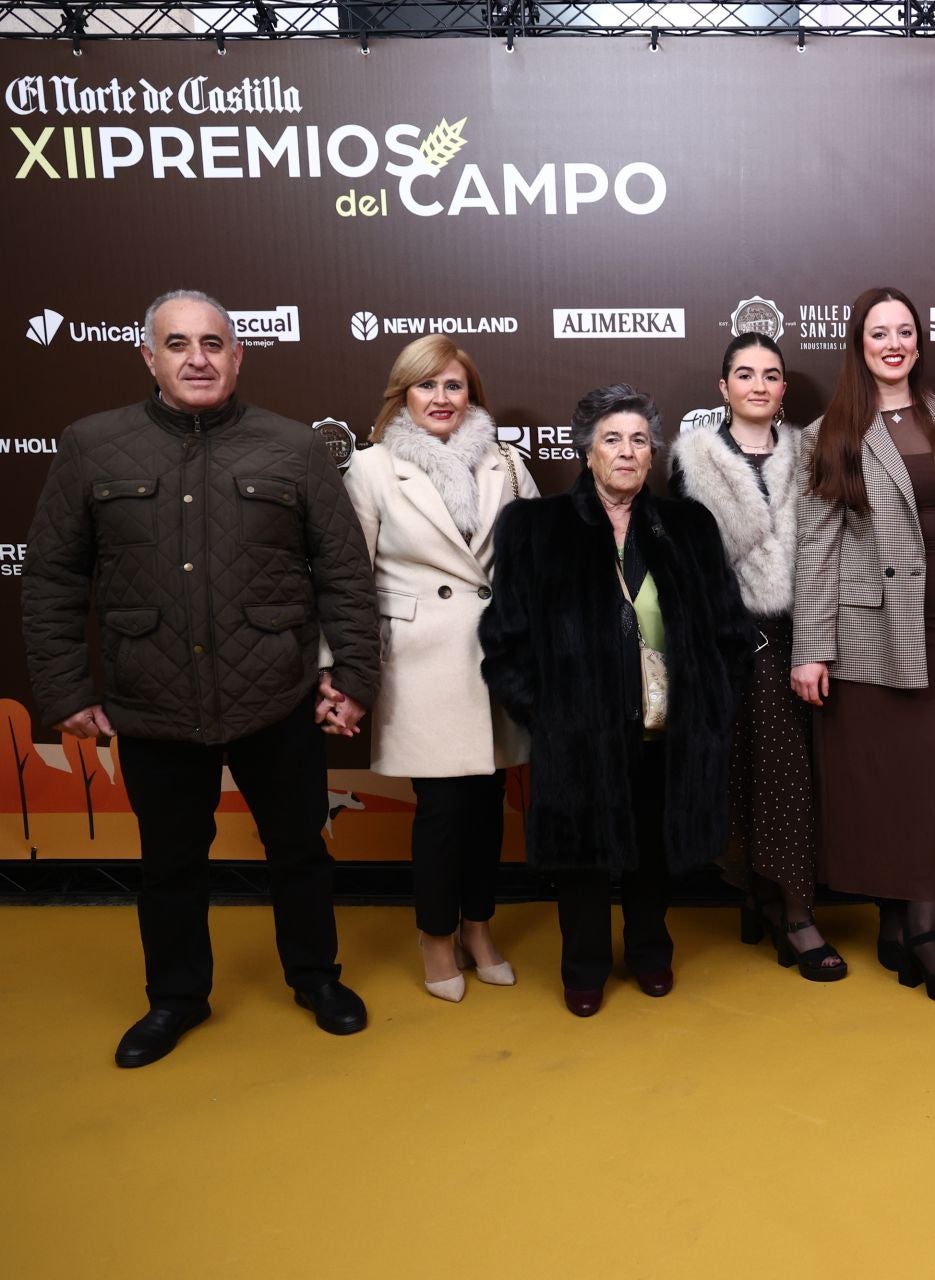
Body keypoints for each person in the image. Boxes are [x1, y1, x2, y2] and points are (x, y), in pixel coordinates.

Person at [22, 289, 380, 1067]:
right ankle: (176, 998)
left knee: (299, 851)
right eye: (178, 344)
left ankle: (316, 977)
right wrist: (67, 692)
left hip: (275, 695)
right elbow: (51, 578)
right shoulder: (91, 445)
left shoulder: (293, 448)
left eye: (213, 343)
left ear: (238, 355)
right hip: (150, 698)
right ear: (148, 357)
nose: (197, 358)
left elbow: (346, 574)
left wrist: (352, 674)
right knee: (170, 864)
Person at [479, 385, 751, 1016]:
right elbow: (504, 637)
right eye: (612, 439)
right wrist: (544, 712)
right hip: (577, 732)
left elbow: (728, 629)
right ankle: (585, 966)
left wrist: (712, 703)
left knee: (654, 851)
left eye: (638, 440)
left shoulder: (688, 526)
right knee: (582, 858)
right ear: (586, 451)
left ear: (652, 453)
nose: (627, 452)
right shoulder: (536, 527)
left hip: (668, 729)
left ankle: (651, 952)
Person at [790, 287, 935, 1007]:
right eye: (880, 332)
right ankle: (900, 927)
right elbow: (814, 548)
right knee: (877, 786)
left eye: (905, 330)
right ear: (859, 343)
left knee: (928, 781)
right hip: (867, 631)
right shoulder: (833, 431)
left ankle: (922, 929)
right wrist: (809, 649)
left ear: (918, 340)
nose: (894, 343)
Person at [343, 335, 538, 1001]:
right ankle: (434, 936)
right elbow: (350, 581)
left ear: (471, 395)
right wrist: (343, 671)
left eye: (453, 386)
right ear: (404, 395)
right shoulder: (370, 469)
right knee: (443, 809)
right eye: (426, 386)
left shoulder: (507, 464)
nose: (441, 399)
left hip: (494, 661)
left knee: (487, 806)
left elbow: (537, 563)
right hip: (420, 663)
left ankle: (478, 926)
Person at [671, 333, 841, 980]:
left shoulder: (808, 454)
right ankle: (791, 912)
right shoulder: (693, 460)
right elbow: (688, 563)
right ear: (723, 388)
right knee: (757, 772)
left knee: (796, 775)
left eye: (771, 375)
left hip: (811, 634)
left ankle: (772, 901)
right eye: (745, 374)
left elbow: (827, 546)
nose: (759, 385)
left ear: (783, 389)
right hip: (732, 641)